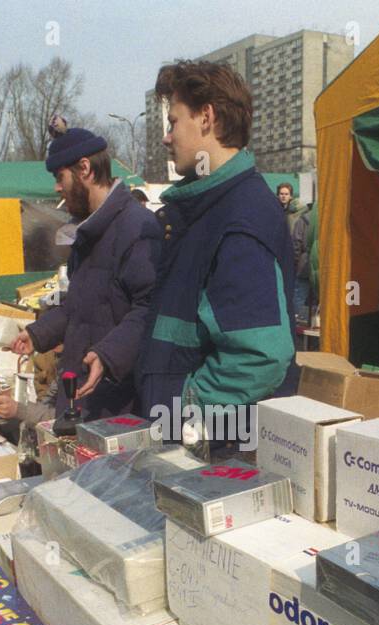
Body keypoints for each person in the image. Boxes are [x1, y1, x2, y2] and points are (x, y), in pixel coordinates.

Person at [138, 60, 298, 430]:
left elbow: (262, 358)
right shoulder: (204, 210)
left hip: (211, 451)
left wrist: (185, 411)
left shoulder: (241, 216)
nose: (167, 137)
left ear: (206, 118)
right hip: (183, 439)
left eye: (174, 122)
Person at [7, 120, 160, 419]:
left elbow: (151, 309)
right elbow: (78, 307)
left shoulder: (137, 227)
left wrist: (108, 354)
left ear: (85, 168)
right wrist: (38, 335)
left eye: (59, 176)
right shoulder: (87, 231)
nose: (56, 187)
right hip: (84, 395)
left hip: (119, 402)